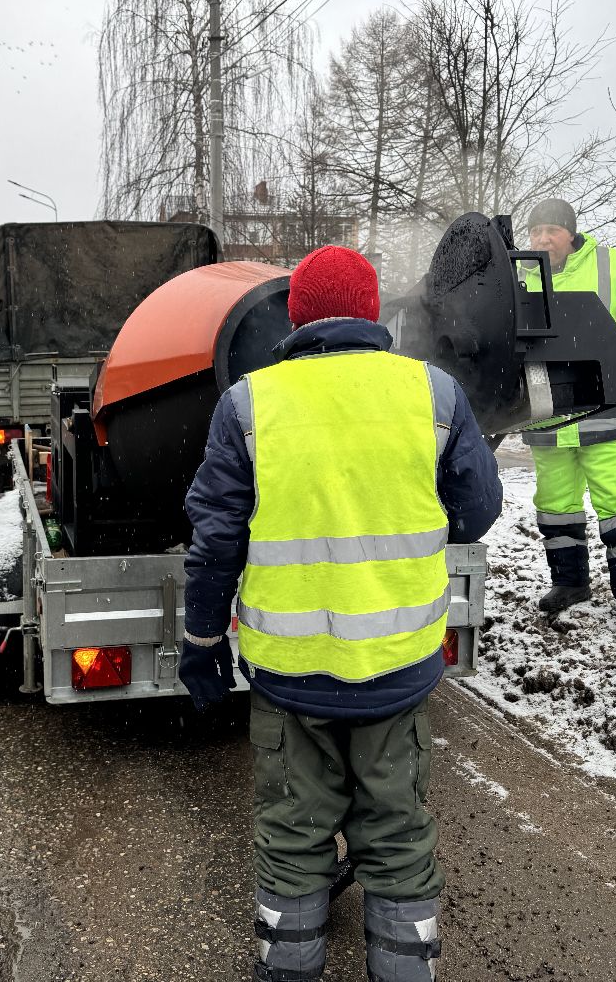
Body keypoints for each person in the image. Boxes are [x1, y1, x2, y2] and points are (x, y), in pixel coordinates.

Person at [178, 245, 502, 982]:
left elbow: (216, 540)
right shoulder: (436, 395)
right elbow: (476, 513)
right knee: (397, 837)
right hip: (397, 673)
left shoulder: (249, 403)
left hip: (290, 680)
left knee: (294, 837)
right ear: (370, 311)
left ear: (294, 316)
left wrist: (202, 639)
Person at [518, 199, 616, 629]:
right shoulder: (518, 274)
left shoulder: (613, 265)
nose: (542, 239)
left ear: (571, 233)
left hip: (609, 413)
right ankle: (570, 582)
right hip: (546, 418)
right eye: (535, 231)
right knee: (555, 506)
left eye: (551, 230)